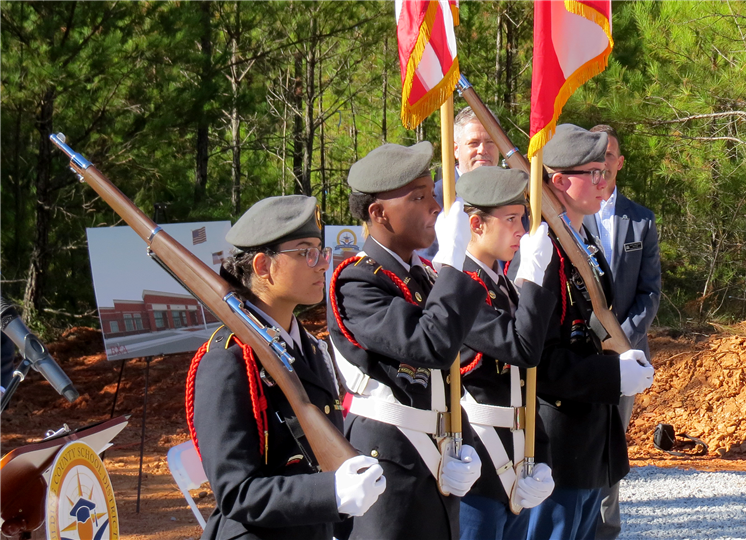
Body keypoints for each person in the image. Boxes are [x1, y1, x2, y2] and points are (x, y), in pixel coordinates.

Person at [186, 195, 386, 540]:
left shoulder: (310, 347)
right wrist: (330, 493)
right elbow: (236, 493)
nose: (322, 264)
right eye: (306, 251)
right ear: (263, 266)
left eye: (321, 251)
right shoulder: (228, 360)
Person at [327, 141, 487, 540]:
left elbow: (451, 375)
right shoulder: (357, 282)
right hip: (389, 466)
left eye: (432, 194)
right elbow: (428, 345)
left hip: (436, 459)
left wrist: (464, 442)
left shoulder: (425, 277)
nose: (435, 206)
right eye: (419, 197)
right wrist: (452, 262)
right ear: (379, 213)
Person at [507, 124, 655, 540]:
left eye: (604, 171)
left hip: (589, 439)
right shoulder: (540, 252)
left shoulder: (581, 240)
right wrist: (612, 376)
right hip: (557, 439)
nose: (603, 180)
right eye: (592, 172)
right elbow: (537, 358)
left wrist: (620, 358)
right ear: (558, 181)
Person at [454, 166, 557, 539]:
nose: (521, 229)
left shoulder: (500, 286)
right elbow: (522, 348)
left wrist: (541, 456)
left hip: (516, 462)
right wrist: (530, 276)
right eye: (511, 218)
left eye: (522, 217)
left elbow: (524, 385)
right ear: (477, 224)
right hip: (477, 463)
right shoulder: (460, 287)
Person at [585, 125, 661, 540]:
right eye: (593, 156)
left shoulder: (641, 220)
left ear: (619, 162)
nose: (602, 163)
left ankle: (605, 530)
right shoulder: (565, 217)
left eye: (608, 154)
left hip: (625, 357)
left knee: (612, 446)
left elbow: (650, 291)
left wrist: (620, 340)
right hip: (578, 354)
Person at [423, 106, 502, 258]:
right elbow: (426, 260)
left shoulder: (511, 196)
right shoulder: (436, 198)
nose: (482, 150)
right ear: (456, 150)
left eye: (490, 141)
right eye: (473, 143)